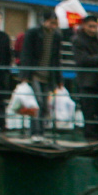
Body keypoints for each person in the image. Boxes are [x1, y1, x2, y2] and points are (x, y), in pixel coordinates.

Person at [21, 10, 63, 140]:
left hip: (48, 75)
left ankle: (41, 132)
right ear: (44, 21)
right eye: (51, 23)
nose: (53, 26)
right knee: (37, 102)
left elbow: (56, 58)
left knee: (45, 104)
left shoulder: (56, 36)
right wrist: (24, 75)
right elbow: (26, 53)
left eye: (55, 24)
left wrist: (59, 78)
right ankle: (35, 132)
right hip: (34, 73)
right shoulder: (33, 33)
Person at [71, 16, 98, 142]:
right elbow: (84, 60)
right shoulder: (78, 41)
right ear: (84, 26)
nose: (93, 30)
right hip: (87, 82)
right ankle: (90, 137)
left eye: (95, 27)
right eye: (90, 26)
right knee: (89, 111)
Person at [0, 10, 16, 131]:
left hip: (0, 74)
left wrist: (7, 70)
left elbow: (8, 55)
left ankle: (2, 124)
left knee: (0, 101)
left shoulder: (4, 36)